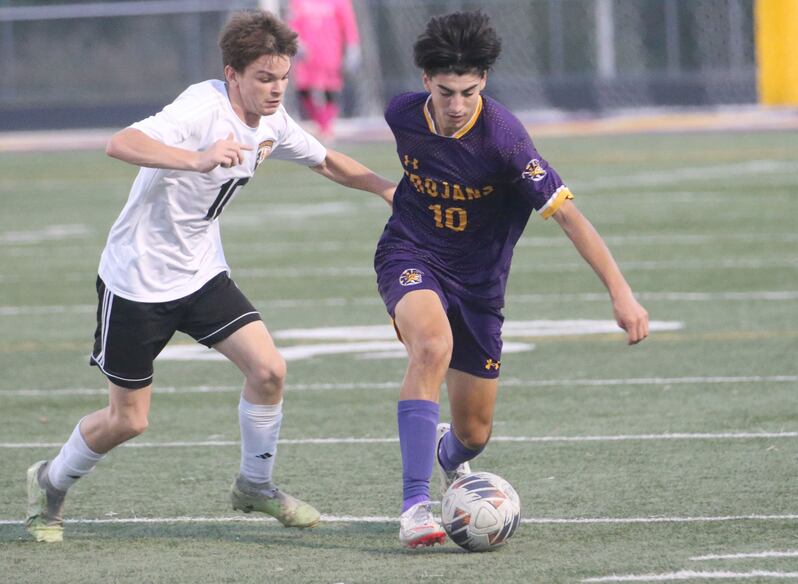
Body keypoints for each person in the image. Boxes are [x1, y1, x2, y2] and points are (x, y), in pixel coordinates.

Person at [25, 10, 395, 543]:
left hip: (200, 274)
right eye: (264, 78)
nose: (276, 90)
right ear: (232, 74)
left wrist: (387, 189)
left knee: (269, 371)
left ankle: (255, 485)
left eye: (283, 77)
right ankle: (50, 483)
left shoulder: (273, 120)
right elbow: (121, 143)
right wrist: (196, 160)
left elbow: (327, 161)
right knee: (128, 420)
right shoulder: (201, 108)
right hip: (138, 280)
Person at [373, 10, 650, 548]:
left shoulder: (505, 140)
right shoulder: (400, 113)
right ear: (425, 79)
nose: (456, 106)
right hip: (410, 253)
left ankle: (442, 454)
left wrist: (622, 293)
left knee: (473, 434)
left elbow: (569, 216)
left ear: (485, 83)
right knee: (431, 344)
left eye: (469, 93)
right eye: (446, 91)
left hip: (480, 285)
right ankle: (414, 507)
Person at [287, 0, 361, 140]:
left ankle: (326, 127)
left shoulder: (341, 2)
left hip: (330, 53)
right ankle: (319, 123)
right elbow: (292, 24)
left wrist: (352, 46)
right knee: (304, 89)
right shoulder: (298, 2)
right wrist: (296, 42)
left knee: (330, 90)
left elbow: (348, 24)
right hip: (306, 56)